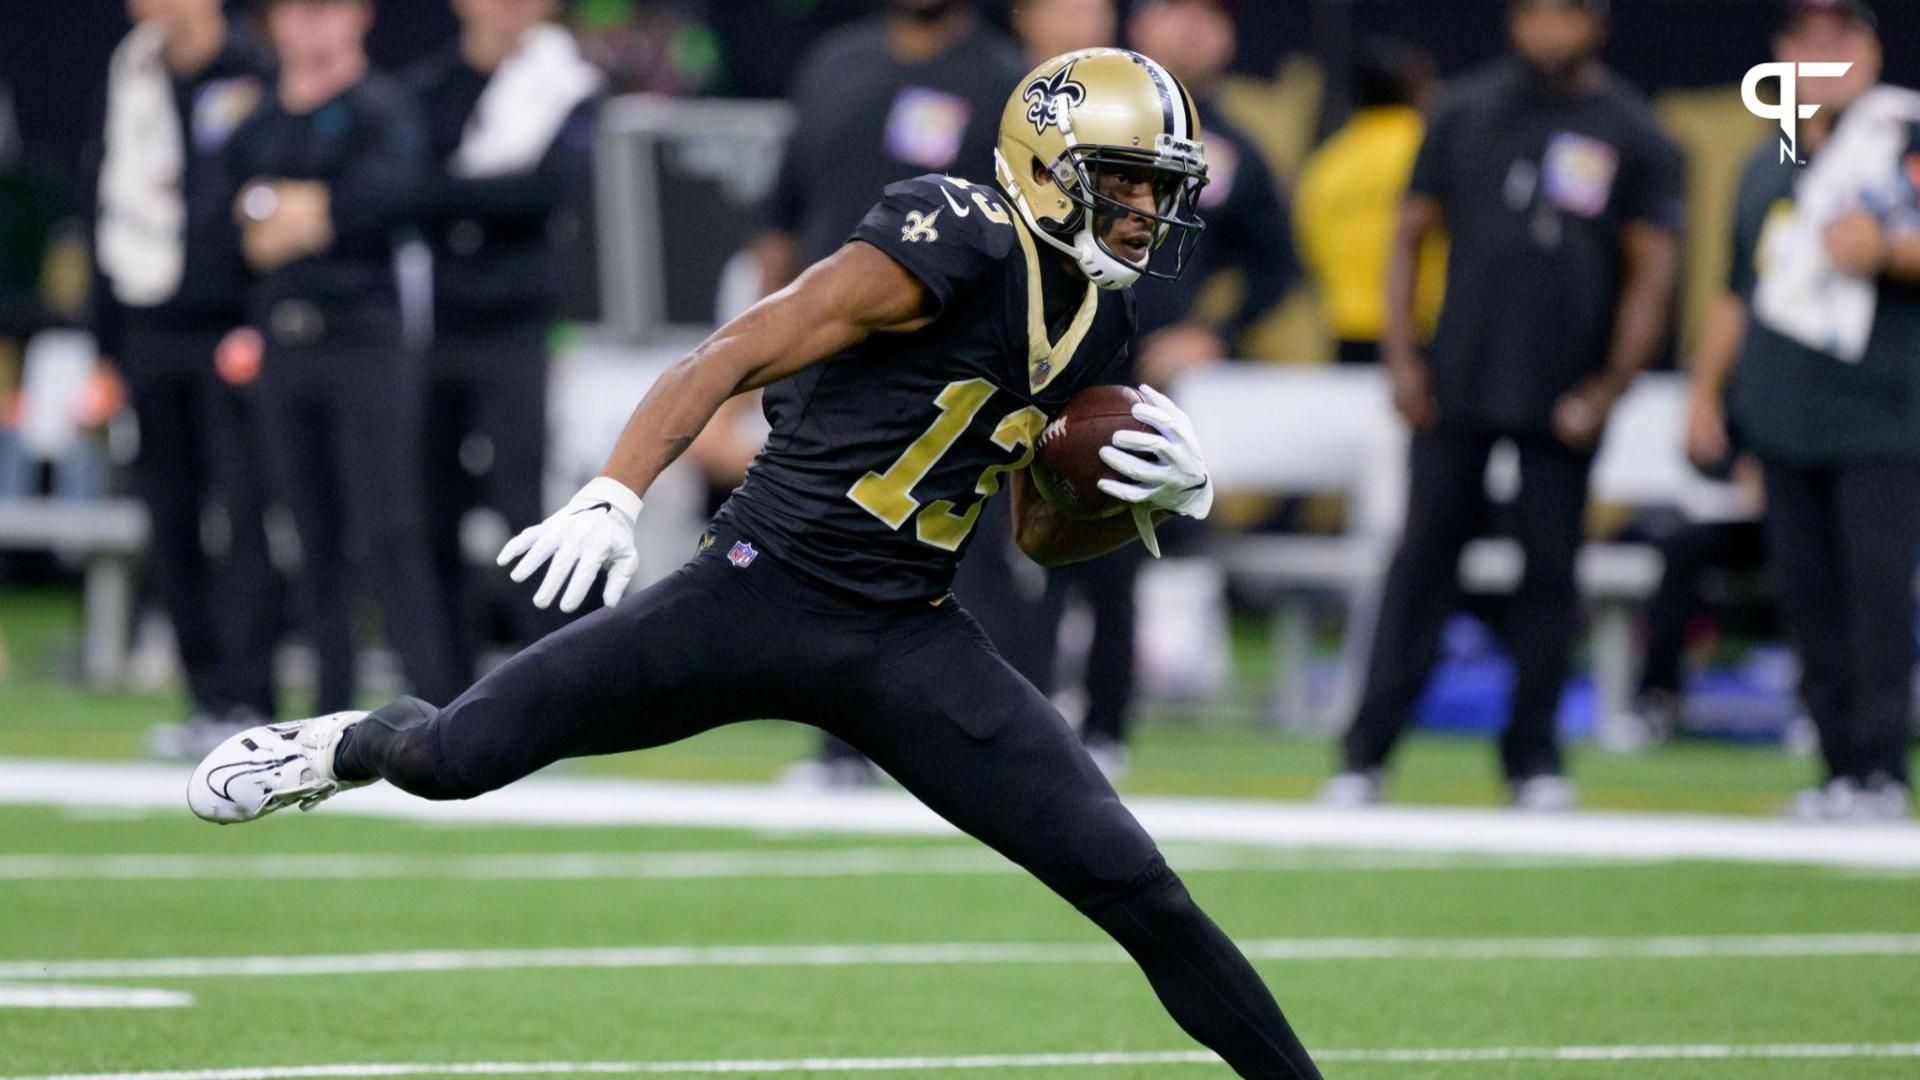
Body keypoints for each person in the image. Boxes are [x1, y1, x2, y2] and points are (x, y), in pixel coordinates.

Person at [189, 49, 1324, 1078]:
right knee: (450, 760)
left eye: (1156, 186)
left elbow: (1034, 531)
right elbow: (738, 347)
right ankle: (351, 739)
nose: (1144, 209)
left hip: (907, 637)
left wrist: (1150, 504)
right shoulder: (952, 232)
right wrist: (614, 490)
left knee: (1141, 891)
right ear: (1047, 164)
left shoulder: (1100, 326)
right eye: (1122, 179)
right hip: (751, 589)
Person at [1323, 0, 1684, 810]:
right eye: (1532, 14)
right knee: (1420, 563)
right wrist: (1402, 357)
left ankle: (1534, 758)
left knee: (1551, 573)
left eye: (1563, 14)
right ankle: (1365, 752)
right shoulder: (1465, 109)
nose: (1546, 30)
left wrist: (1610, 384)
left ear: (1597, 22)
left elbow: (1653, 268)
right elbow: (1411, 233)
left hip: (1566, 390)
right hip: (1459, 377)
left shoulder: (1632, 127)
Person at [750, 0, 1029, 787]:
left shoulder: (1005, 82)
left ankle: (986, 748)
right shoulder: (836, 61)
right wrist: (758, 342)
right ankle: (842, 748)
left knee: (961, 563)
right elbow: (783, 211)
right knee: (819, 550)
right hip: (824, 354)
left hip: (945, 364)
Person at [1687, 0, 1918, 820]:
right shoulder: (1771, 160)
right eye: (1806, 42)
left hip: (1880, 413)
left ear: (1870, 47)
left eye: (1838, 40)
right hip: (1785, 415)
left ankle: (1883, 769)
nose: (1822, 57)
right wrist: (1708, 393)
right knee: (1808, 597)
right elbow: (1737, 290)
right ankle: (1834, 765)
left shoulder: (1901, 135)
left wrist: (1890, 251)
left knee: (1876, 596)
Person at [224, 0, 461, 714]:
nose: (310, 27)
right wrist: (303, 211)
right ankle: (330, 707)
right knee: (310, 532)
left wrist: (290, 211)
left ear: (356, 17)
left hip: (366, 339)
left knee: (390, 524)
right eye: (296, 12)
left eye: (326, 10)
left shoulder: (382, 105)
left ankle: (442, 702)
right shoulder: (258, 116)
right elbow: (233, 222)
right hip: (286, 341)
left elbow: (387, 198)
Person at [92, 0, 280, 751]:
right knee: (168, 518)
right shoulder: (131, 75)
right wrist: (104, 351)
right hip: (147, 328)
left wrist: (257, 319)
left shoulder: (251, 72)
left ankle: (252, 695)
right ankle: (204, 696)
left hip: (228, 331)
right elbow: (104, 198)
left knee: (242, 518)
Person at [408, 0, 600, 681]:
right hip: (432, 327)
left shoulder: (568, 86)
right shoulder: (430, 87)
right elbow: (404, 189)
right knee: (429, 507)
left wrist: (448, 192)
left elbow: (548, 191)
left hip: (518, 331)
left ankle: (549, 681)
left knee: (526, 509)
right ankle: (442, 687)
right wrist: (477, 193)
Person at [1126, 0, 1295, 385]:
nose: (1194, 25)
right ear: (1137, 24)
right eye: (1177, 7)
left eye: (1212, 13)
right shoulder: (1082, 116)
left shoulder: (1234, 152)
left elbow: (1277, 264)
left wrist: (1215, 335)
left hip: (1152, 374)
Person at [1294, 39, 1445, 366]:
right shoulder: (1428, 149)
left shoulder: (1327, 162)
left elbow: (1307, 243)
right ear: (1416, 91)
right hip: (1417, 330)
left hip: (1346, 330)